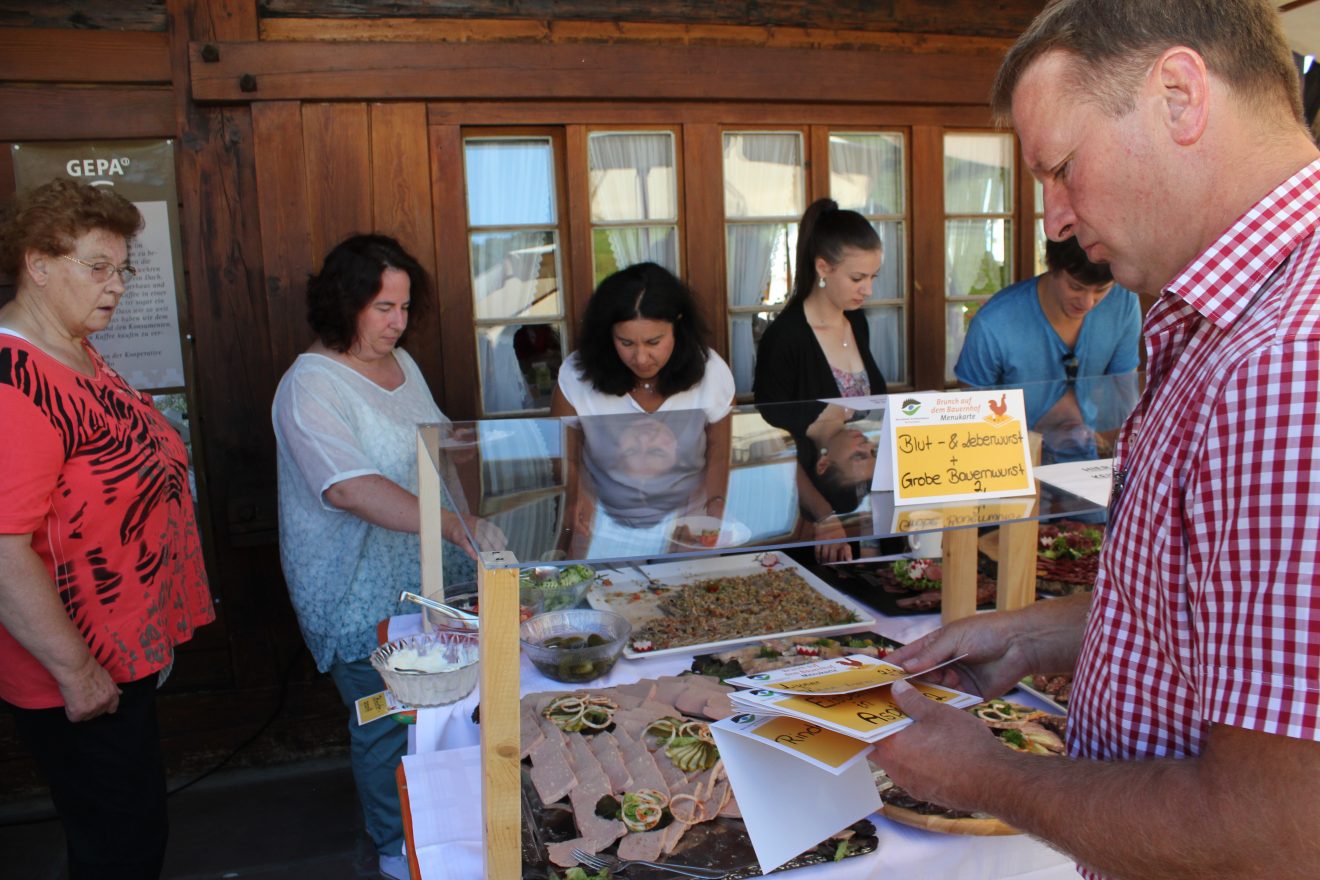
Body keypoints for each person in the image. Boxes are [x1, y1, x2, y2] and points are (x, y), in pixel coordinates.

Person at [872, 2, 1320, 878]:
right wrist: (1041, 635)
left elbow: (1276, 833)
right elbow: (1226, 622)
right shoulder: (1227, 324)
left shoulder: (1286, 360)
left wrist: (990, 776)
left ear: (1181, 96)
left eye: (1064, 169)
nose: (1056, 221)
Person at [0, 178, 214, 878]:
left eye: (123, 269)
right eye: (98, 267)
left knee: (129, 827)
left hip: (120, 653)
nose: (116, 285)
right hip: (77, 673)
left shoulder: (74, 350)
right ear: (38, 262)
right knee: (118, 844)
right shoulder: (16, 383)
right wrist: (77, 670)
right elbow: (3, 551)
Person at [272, 234, 502, 880]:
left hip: (428, 575)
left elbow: (432, 447)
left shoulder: (403, 364)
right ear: (343, 305)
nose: (397, 323)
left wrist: (467, 505)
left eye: (404, 308)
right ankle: (396, 849)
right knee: (385, 721)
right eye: (382, 308)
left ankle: (448, 834)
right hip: (357, 591)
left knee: (444, 716)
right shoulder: (308, 386)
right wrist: (457, 526)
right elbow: (347, 485)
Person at [550, 263, 733, 553]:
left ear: (678, 325)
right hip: (600, 527)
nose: (641, 357)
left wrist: (716, 505)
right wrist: (575, 495)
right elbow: (564, 450)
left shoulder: (710, 371)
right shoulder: (576, 375)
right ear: (607, 335)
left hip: (688, 527)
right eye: (626, 342)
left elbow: (719, 448)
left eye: (654, 342)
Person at [753, 198, 888, 559]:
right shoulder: (785, 339)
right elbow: (773, 444)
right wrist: (822, 513)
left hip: (863, 508)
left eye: (873, 277)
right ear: (823, 268)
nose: (868, 290)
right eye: (857, 278)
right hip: (807, 518)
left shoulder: (856, 321)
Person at [955, 236, 1140, 461]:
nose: (1087, 302)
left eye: (1101, 290)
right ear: (1051, 266)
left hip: (1096, 455)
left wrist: (1122, 451)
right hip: (1018, 459)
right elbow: (973, 413)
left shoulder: (1123, 303)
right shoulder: (994, 322)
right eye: (1075, 287)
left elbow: (1124, 392)